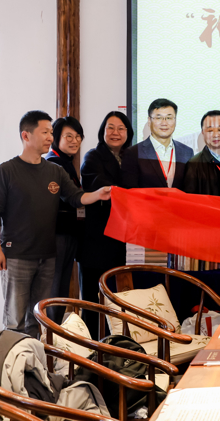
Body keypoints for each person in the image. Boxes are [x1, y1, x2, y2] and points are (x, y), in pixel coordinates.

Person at [0, 110, 111, 337]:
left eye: (51, 132)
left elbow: (75, 197)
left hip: (47, 256)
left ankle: (33, 357)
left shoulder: (55, 171)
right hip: (16, 256)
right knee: (15, 320)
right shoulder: (4, 171)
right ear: (26, 135)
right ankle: (13, 358)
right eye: (45, 132)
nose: (50, 137)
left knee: (37, 319)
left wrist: (98, 194)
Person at [78, 110, 135, 338]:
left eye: (121, 128)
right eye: (110, 127)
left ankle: (114, 343)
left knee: (115, 297)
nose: (115, 133)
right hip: (96, 239)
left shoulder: (131, 158)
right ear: (102, 131)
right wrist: (131, 195)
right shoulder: (92, 157)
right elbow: (100, 185)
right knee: (92, 299)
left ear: (128, 133)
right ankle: (91, 346)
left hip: (120, 239)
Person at [44, 116, 85, 325]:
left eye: (78, 136)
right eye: (69, 136)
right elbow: (70, 198)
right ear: (56, 138)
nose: (75, 141)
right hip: (57, 234)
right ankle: (50, 331)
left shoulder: (66, 163)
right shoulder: (54, 163)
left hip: (68, 233)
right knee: (55, 285)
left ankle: (54, 330)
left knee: (61, 285)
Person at [121, 98, 193, 190]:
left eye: (169, 118)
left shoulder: (187, 152)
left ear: (175, 120)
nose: (164, 123)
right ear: (149, 121)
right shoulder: (133, 153)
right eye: (158, 118)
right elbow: (130, 191)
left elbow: (190, 189)